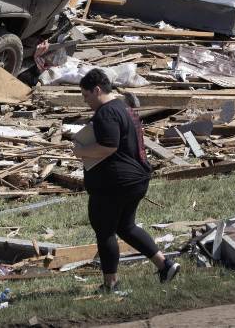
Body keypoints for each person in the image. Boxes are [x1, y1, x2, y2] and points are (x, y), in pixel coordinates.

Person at [73, 68, 180, 292]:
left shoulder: (106, 112)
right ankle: (165, 265)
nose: (85, 101)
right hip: (135, 179)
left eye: (86, 95)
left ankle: (110, 284)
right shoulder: (124, 107)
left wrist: (81, 151)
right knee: (126, 226)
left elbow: (108, 146)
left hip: (115, 184)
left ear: (97, 90)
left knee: (105, 231)